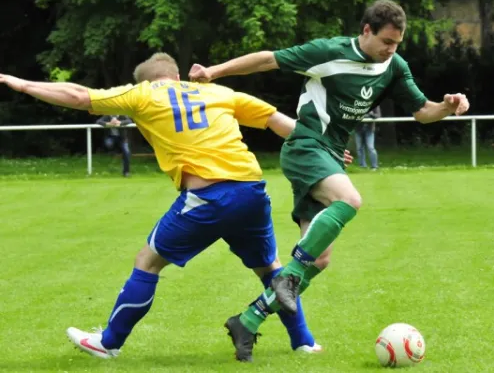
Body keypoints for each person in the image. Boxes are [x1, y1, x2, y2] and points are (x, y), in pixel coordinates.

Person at [0, 52, 353, 362]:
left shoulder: (142, 94)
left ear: (143, 81)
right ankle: (304, 343)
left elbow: (78, 96)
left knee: (147, 262)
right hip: (251, 192)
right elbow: (279, 122)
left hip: (207, 198)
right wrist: (328, 152)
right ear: (177, 75)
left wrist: (21, 84)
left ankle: (108, 344)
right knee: (271, 269)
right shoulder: (218, 91)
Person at [189, 0, 469, 360]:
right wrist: (213, 71)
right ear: (366, 31)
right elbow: (267, 59)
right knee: (349, 200)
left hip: (331, 155)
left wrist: (447, 106)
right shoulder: (328, 52)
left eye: (397, 44)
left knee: (318, 260)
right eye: (386, 42)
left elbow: (423, 112)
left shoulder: (394, 66)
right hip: (305, 146)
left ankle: (248, 320)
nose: (391, 50)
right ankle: (286, 276)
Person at [355, 105, 381, 170]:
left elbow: (378, 115)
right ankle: (362, 166)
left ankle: (374, 166)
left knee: (371, 148)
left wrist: (371, 115)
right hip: (358, 129)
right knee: (359, 148)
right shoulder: (357, 103)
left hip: (370, 129)